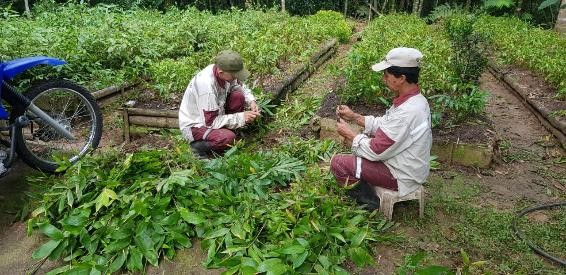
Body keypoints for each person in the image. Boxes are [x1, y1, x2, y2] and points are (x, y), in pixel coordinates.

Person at [331, 47, 432, 210]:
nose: (384, 78)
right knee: (356, 153)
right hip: (408, 165)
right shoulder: (415, 101)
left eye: (386, 75)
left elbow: (376, 151)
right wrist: (355, 117)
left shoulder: (408, 112)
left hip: (401, 174)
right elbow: (386, 125)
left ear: (401, 78)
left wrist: (351, 134)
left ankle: (370, 204)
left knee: (339, 164)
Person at [179, 50, 261, 158]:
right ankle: (197, 147)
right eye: (234, 75)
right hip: (197, 125)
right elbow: (210, 122)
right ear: (221, 72)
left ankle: (229, 132)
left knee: (238, 96)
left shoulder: (223, 72)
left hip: (215, 114)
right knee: (228, 138)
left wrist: (251, 101)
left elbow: (239, 85)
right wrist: (241, 117)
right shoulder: (207, 88)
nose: (236, 77)